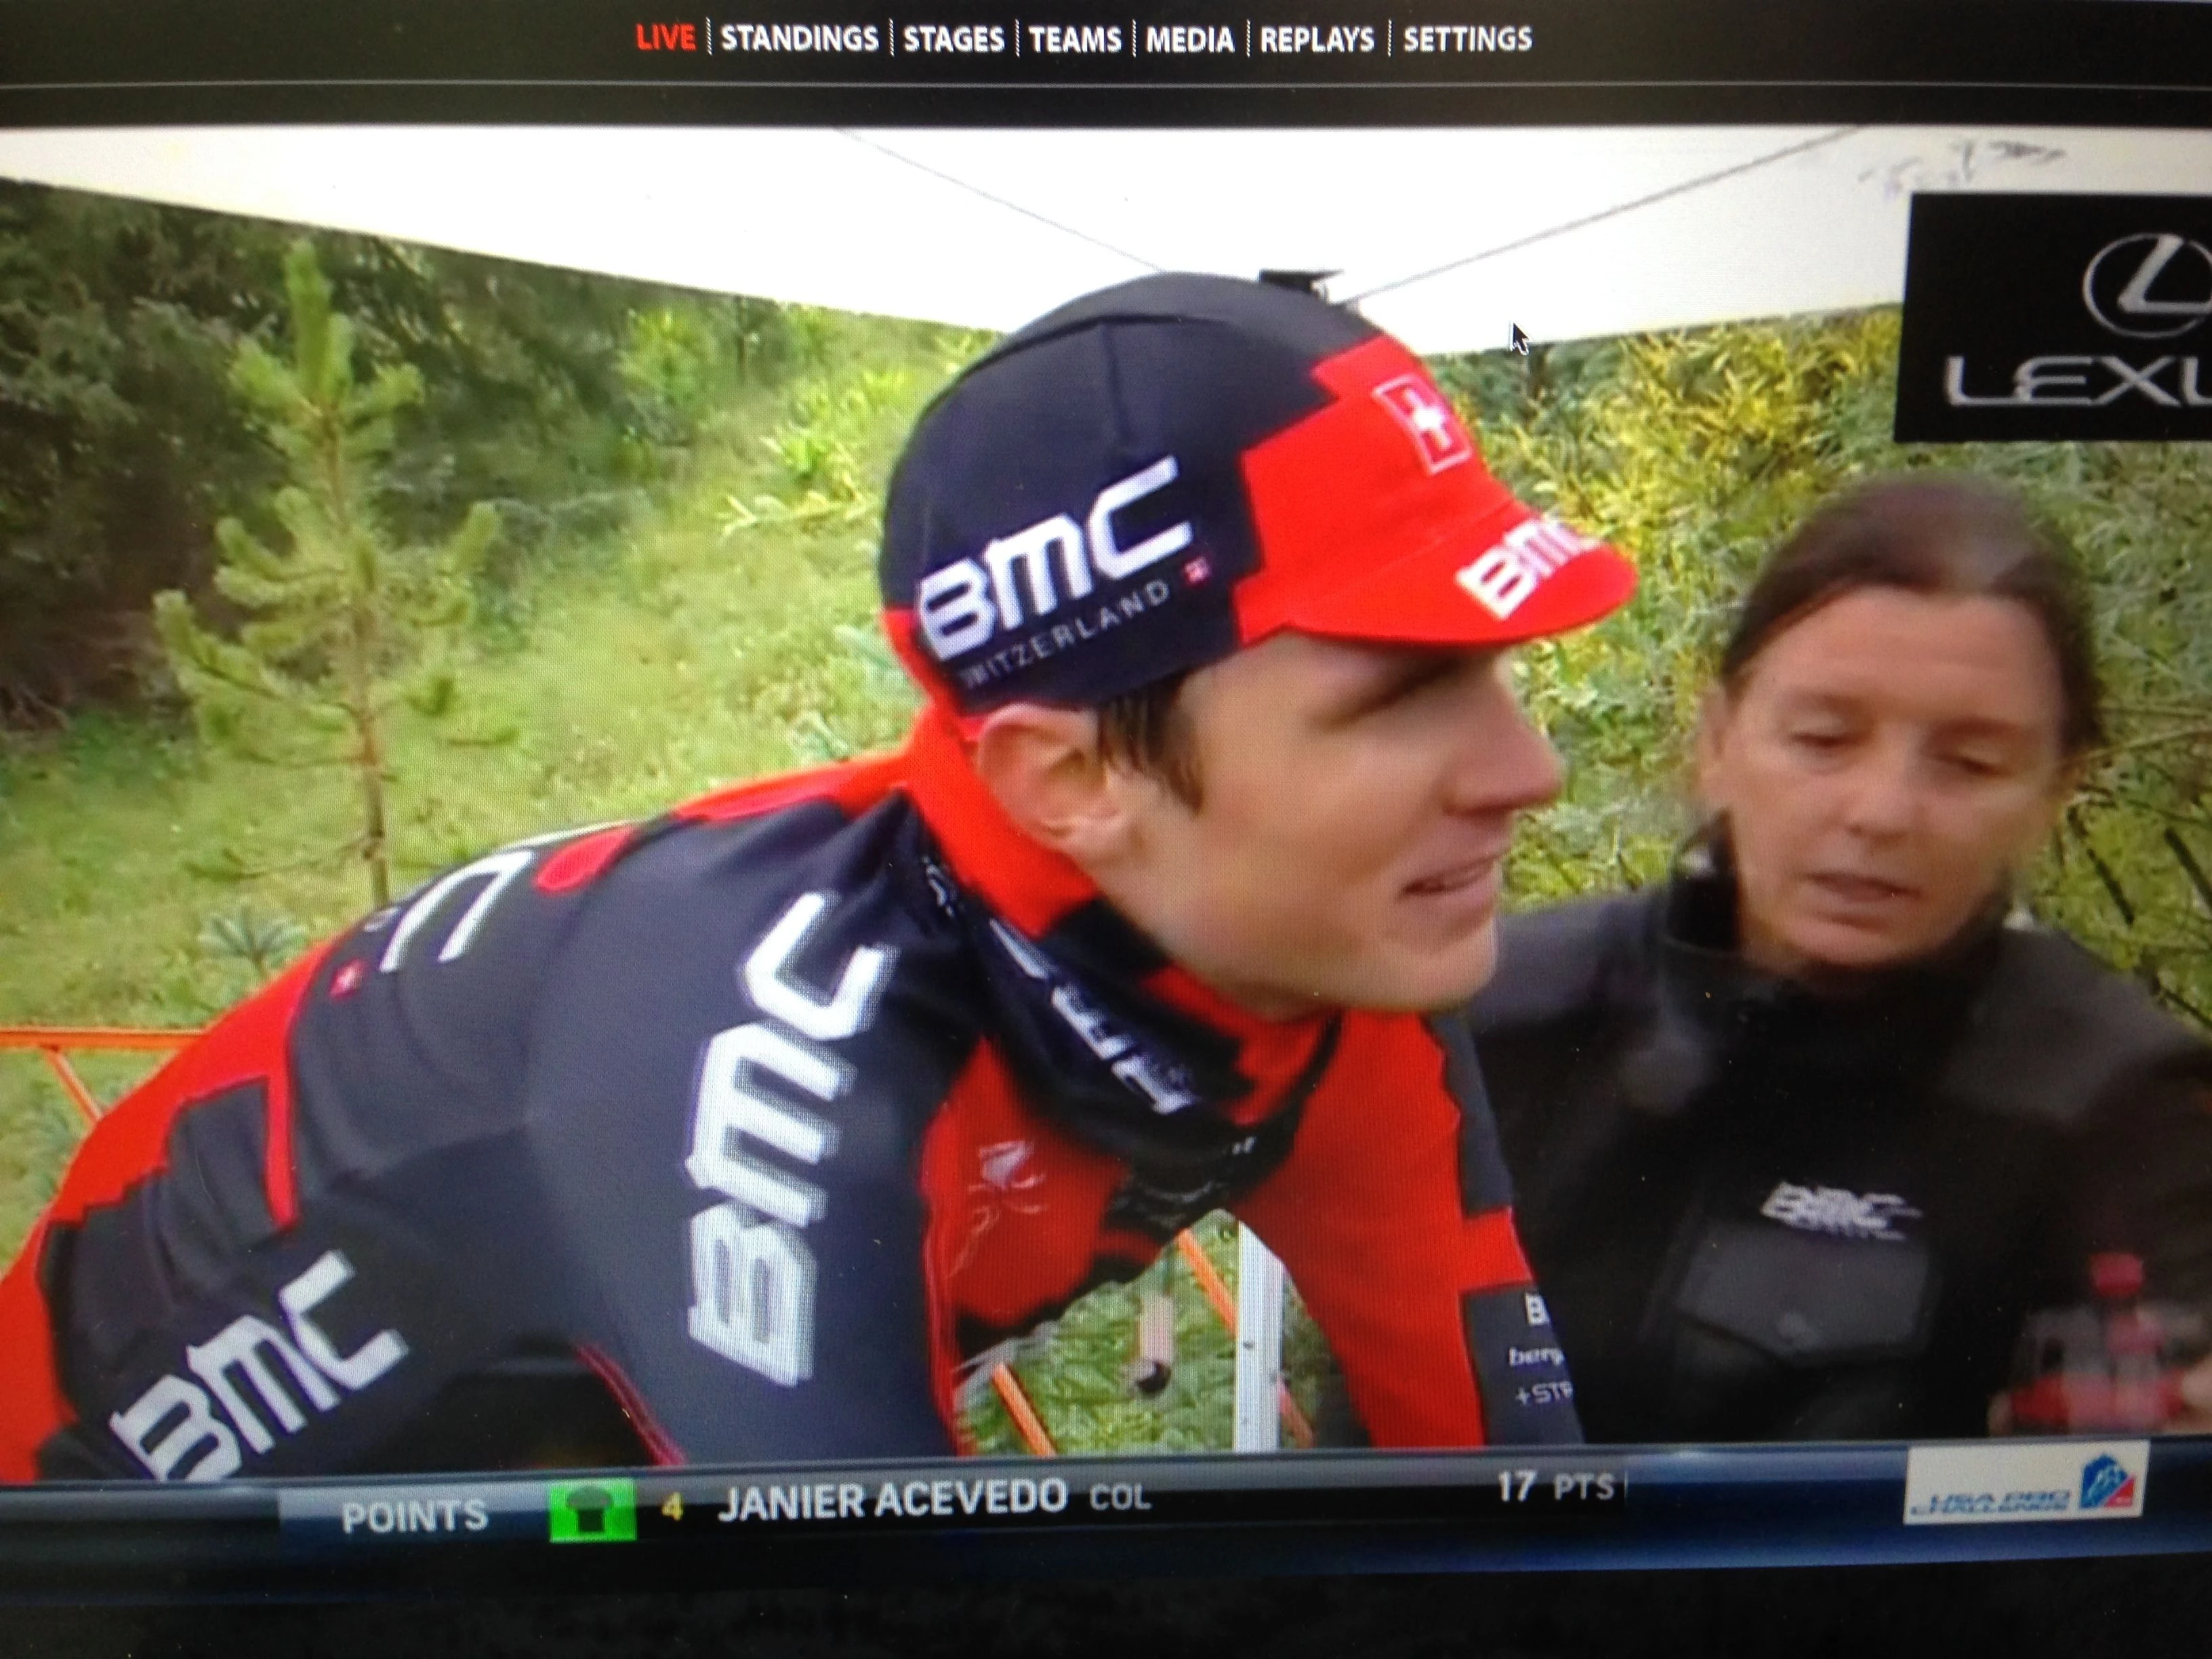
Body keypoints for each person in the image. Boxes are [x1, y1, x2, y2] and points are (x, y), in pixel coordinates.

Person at [0, 273, 1636, 1481]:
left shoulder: (1330, 964)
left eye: (1491, 675)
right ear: (1073, 780)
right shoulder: (772, 1059)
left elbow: (1517, 1500)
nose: (1526, 770)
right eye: (1400, 698)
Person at [1467, 475, 2212, 1444]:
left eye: (1970, 763)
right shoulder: (1499, 1012)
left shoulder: (2116, 1104)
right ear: (1717, 740)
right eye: (1824, 740)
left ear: (2055, 791)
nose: (1882, 810)